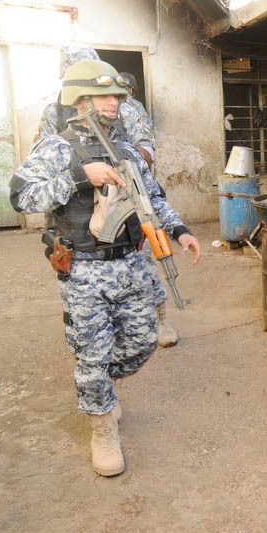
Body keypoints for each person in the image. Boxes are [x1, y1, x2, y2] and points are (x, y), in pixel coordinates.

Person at [9, 59, 200, 476]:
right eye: (104, 94)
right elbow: (22, 198)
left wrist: (181, 230)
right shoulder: (57, 147)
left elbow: (153, 197)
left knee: (142, 341)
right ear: (79, 100)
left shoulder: (127, 148)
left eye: (116, 95)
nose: (114, 102)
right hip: (83, 271)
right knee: (92, 355)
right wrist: (81, 177)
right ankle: (102, 426)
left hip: (131, 264)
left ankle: (102, 391)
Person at [119, 70, 179, 348]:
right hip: (86, 206)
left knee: (143, 258)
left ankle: (160, 319)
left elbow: (147, 150)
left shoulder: (128, 111)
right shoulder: (58, 114)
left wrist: (123, 160)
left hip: (128, 193)